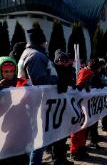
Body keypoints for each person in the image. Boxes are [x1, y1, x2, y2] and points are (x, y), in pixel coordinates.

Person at [18, 26, 73, 165]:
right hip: (37, 103)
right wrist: (59, 81)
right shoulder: (35, 55)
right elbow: (39, 80)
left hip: (39, 102)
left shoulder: (31, 53)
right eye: (44, 41)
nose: (46, 43)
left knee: (40, 139)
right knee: (39, 140)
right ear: (40, 41)